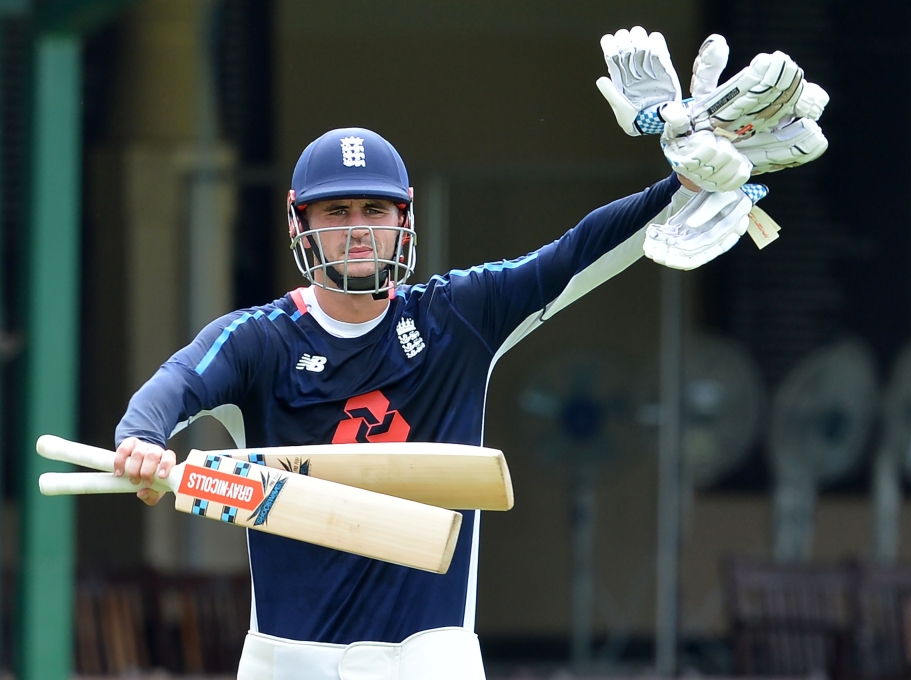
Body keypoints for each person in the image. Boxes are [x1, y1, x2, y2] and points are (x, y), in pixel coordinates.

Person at [111, 27, 824, 680]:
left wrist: (681, 186)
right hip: (289, 661)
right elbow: (175, 385)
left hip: (430, 658)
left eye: (374, 211)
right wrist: (141, 442)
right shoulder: (259, 340)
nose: (357, 231)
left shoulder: (456, 317)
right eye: (336, 213)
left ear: (404, 219)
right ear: (301, 223)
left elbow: (572, 255)